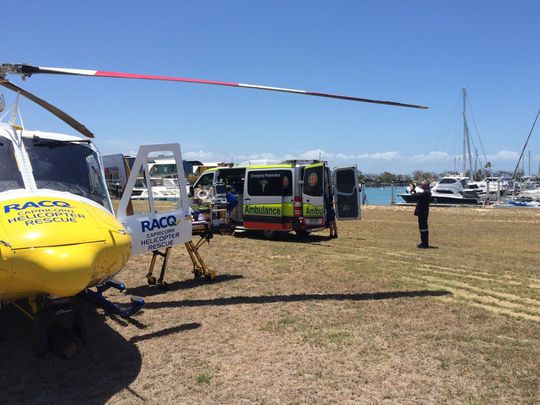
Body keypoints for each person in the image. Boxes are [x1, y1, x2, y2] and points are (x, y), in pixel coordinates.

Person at [408, 180, 431, 248]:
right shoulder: (427, 192)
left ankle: (424, 244)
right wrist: (414, 190)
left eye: (422, 184)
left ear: (426, 185)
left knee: (423, 228)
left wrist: (412, 190)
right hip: (423, 212)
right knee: (423, 228)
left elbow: (414, 196)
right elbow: (417, 195)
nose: (421, 185)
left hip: (423, 212)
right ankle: (424, 243)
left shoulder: (426, 192)